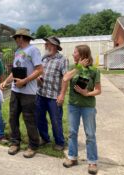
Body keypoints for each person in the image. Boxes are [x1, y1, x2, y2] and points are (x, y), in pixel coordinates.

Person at [0, 28, 43, 158]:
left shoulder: (33, 50)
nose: (15, 40)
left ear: (21, 37)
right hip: (15, 90)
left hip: (28, 92)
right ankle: (15, 142)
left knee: (29, 118)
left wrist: (24, 80)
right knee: (13, 117)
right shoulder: (18, 51)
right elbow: (15, 71)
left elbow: (39, 70)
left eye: (15, 38)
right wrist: (6, 82)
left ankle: (33, 145)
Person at [62, 45, 101, 175]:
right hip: (73, 105)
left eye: (75, 52)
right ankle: (72, 158)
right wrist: (78, 67)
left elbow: (98, 90)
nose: (73, 54)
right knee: (72, 132)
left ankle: (92, 162)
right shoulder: (73, 68)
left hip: (88, 107)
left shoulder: (94, 70)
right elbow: (65, 78)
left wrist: (86, 93)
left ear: (82, 54)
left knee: (90, 134)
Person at [35, 36, 69, 151]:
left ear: (54, 46)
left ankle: (59, 142)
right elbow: (39, 72)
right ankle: (45, 138)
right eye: (46, 44)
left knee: (55, 120)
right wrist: (39, 78)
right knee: (40, 118)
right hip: (41, 94)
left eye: (48, 44)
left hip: (54, 96)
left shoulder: (62, 60)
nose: (45, 45)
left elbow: (65, 78)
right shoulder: (44, 58)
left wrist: (62, 95)